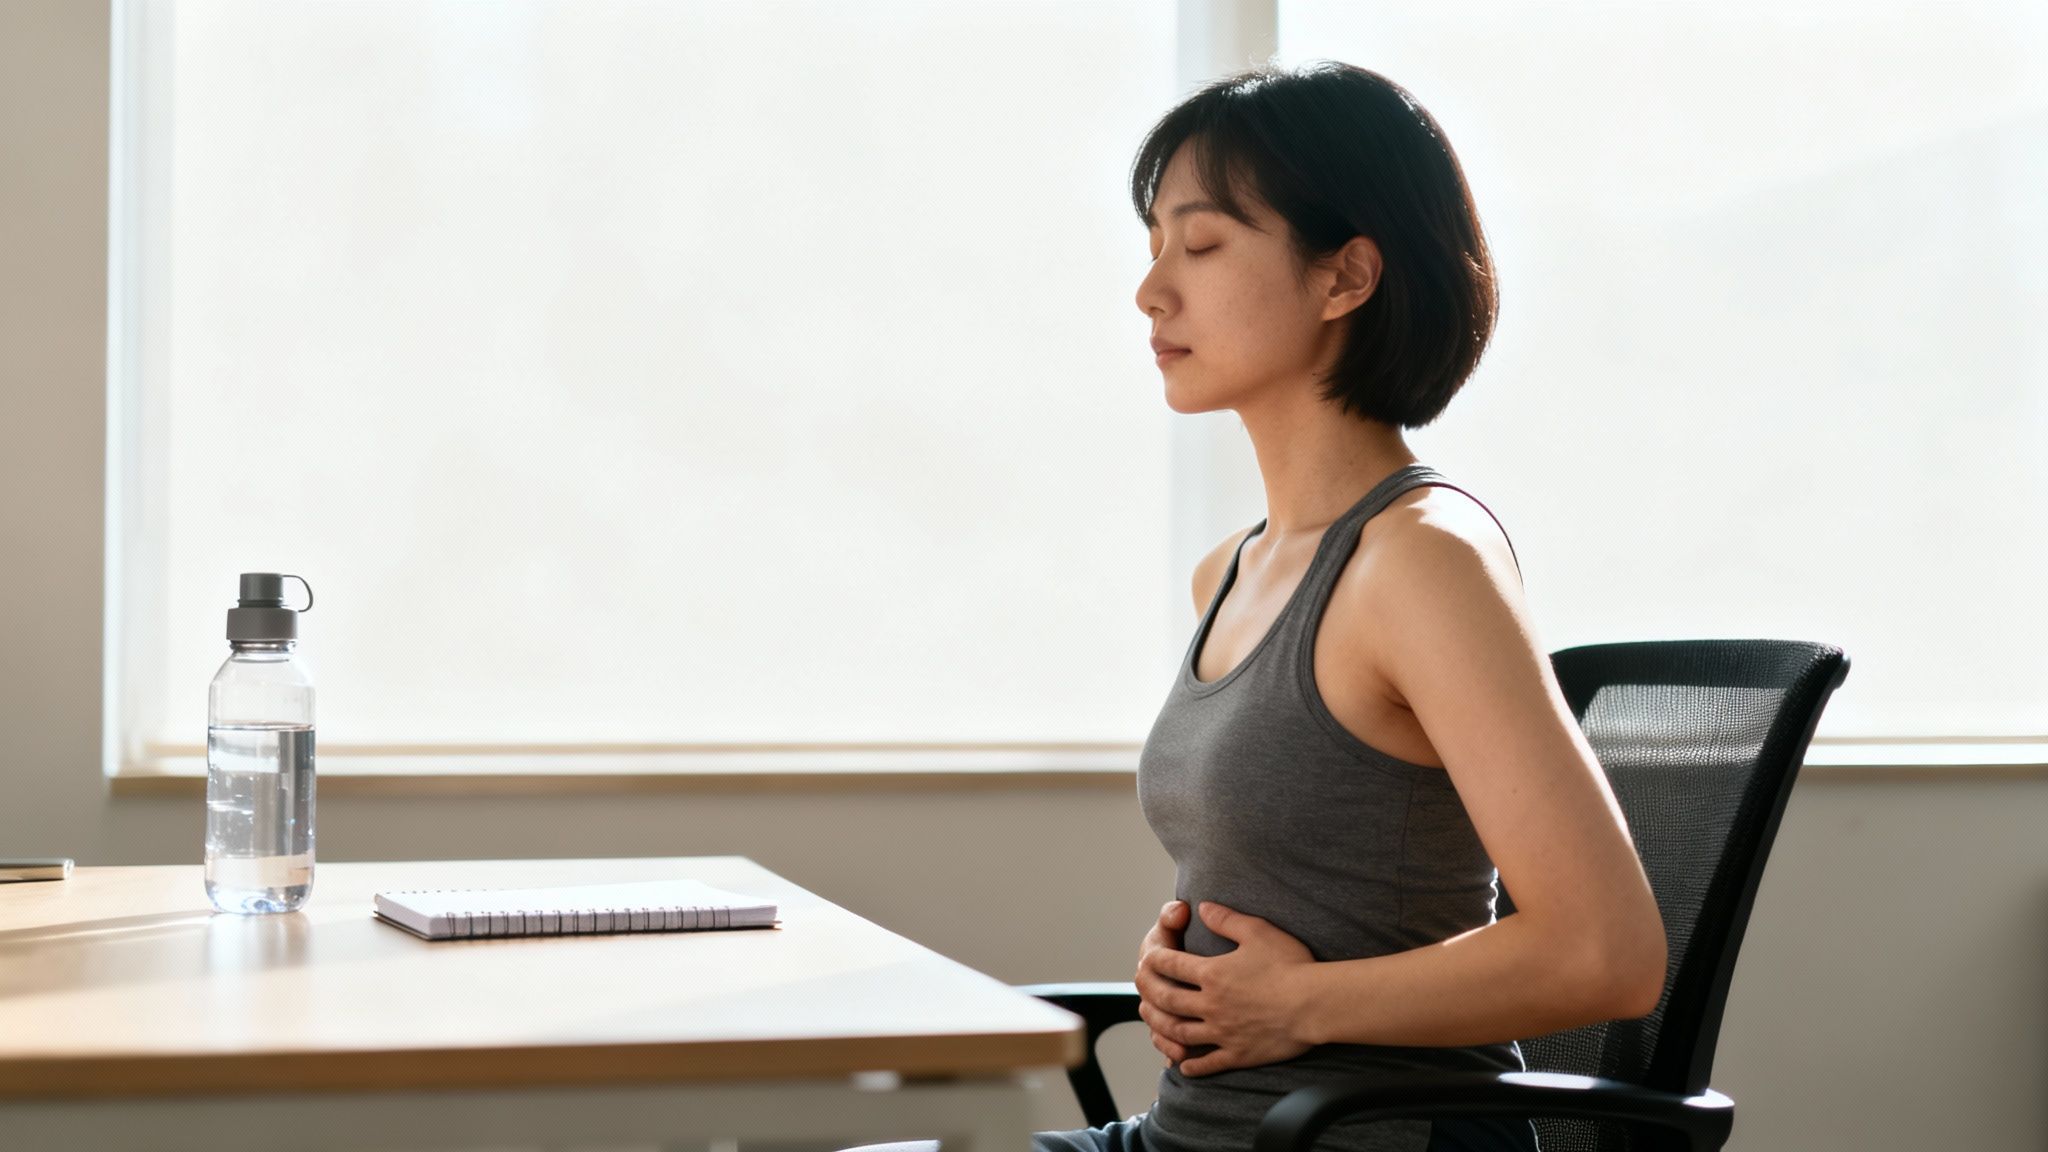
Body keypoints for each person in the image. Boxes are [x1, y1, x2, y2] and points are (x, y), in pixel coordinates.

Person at [846, 60, 1667, 1152]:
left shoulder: (1421, 561)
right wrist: (1188, 971)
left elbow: (1604, 953)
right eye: (1150, 251)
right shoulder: (1231, 569)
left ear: (1344, 277)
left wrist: (1298, 1004)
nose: (1151, 291)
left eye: (1200, 244)